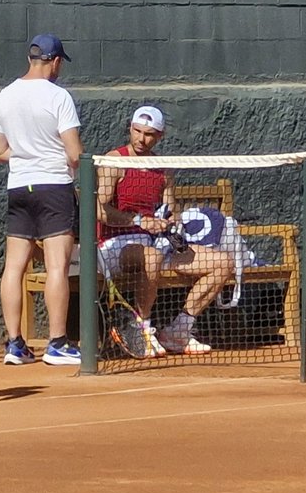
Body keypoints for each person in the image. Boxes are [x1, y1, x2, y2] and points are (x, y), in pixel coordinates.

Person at [97, 106, 234, 355]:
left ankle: (179, 331)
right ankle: (141, 328)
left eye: (149, 134)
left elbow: (170, 209)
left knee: (222, 263)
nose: (141, 138)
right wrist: (139, 220)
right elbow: (100, 210)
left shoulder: (163, 169)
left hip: (157, 246)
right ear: (130, 128)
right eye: (137, 131)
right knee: (152, 256)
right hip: (113, 246)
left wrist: (171, 221)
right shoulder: (113, 161)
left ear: (160, 135)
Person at [0, 34, 83, 366]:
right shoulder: (59, 97)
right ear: (55, 61)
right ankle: (57, 343)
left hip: (19, 188)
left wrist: (28, 152)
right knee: (57, 266)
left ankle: (15, 344)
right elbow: (74, 153)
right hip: (54, 187)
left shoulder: (4, 96)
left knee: (13, 268)